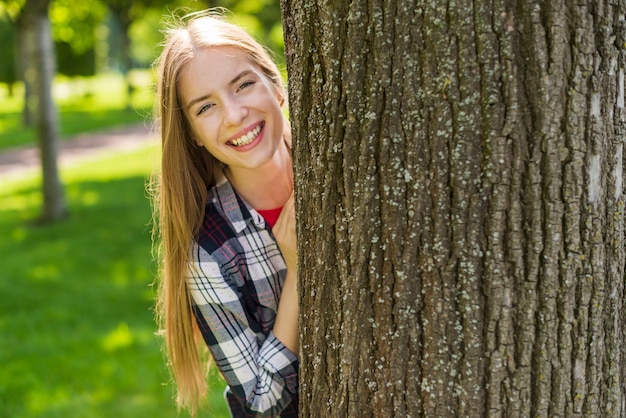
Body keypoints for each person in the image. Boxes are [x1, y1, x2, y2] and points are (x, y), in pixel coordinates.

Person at [151, 10, 299, 417]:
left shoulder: (340, 160)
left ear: (276, 82)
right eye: (205, 108)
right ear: (193, 136)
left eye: (244, 85)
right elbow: (259, 405)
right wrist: (298, 274)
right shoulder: (209, 253)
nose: (235, 115)